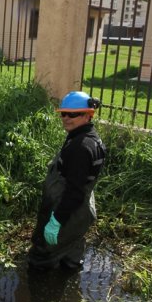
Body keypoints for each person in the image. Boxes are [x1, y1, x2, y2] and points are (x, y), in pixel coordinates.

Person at [28, 91, 107, 271]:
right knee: (72, 249)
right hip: (80, 211)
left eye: (72, 114)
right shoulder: (85, 136)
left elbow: (74, 193)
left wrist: (56, 221)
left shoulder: (81, 147)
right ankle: (69, 281)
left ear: (88, 115)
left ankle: (40, 295)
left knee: (41, 256)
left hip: (68, 211)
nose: (66, 118)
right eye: (63, 113)